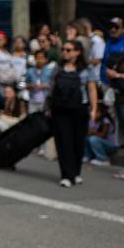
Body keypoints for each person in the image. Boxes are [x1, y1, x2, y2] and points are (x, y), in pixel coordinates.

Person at [50, 39, 100, 187]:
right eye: (64, 49)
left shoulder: (86, 70)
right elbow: (51, 89)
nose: (65, 52)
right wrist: (48, 107)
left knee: (78, 142)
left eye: (69, 50)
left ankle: (76, 173)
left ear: (78, 52)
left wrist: (94, 109)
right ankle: (66, 175)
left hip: (80, 109)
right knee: (63, 142)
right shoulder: (58, 68)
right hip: (60, 109)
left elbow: (92, 89)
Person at [26, 49, 56, 115]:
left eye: (42, 58)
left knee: (44, 121)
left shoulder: (50, 71)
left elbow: (54, 85)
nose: (39, 60)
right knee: (32, 120)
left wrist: (46, 85)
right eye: (37, 58)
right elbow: (23, 84)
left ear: (46, 59)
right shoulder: (30, 70)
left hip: (45, 101)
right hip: (33, 100)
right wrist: (30, 85)